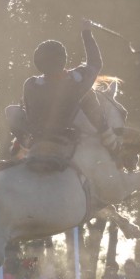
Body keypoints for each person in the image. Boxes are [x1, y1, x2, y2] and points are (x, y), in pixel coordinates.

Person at [17, 19, 122, 170]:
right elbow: (95, 63)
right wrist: (86, 32)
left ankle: (19, 147)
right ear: (63, 59)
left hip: (36, 139)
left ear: (38, 63)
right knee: (89, 95)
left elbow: (28, 111)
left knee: (12, 112)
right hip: (61, 138)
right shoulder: (75, 82)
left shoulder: (30, 84)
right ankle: (110, 141)